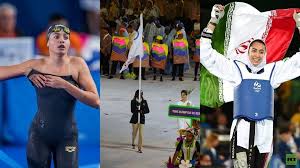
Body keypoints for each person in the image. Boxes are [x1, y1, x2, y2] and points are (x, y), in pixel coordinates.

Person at [200, 4, 300, 168]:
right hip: (242, 133)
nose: (257, 55)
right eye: (254, 50)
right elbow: (207, 56)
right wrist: (212, 22)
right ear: (248, 52)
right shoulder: (237, 69)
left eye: (261, 51)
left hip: (265, 134)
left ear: (265, 54)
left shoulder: (273, 71)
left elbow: (298, 63)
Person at [0, 24, 100, 167]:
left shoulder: (77, 64)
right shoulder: (36, 65)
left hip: (67, 137)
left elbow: (96, 101)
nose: (62, 40)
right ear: (47, 42)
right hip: (39, 135)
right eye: (56, 37)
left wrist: (65, 85)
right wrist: (26, 71)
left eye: (66, 38)